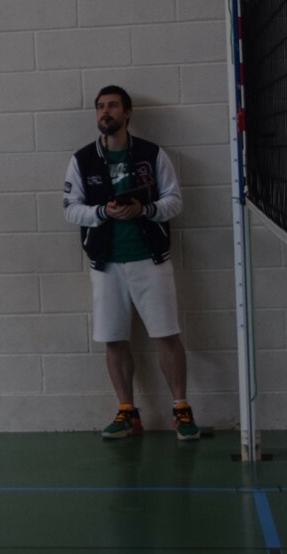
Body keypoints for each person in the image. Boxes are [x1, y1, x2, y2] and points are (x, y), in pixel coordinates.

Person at [62, 86, 199, 441]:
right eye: (100, 107)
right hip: (106, 265)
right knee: (113, 339)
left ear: (127, 113)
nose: (105, 112)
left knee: (167, 335)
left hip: (150, 261)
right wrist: (102, 212)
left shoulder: (152, 154)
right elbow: (70, 209)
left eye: (112, 106)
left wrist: (145, 209)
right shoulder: (82, 160)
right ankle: (127, 412)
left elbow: (175, 201)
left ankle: (181, 408)